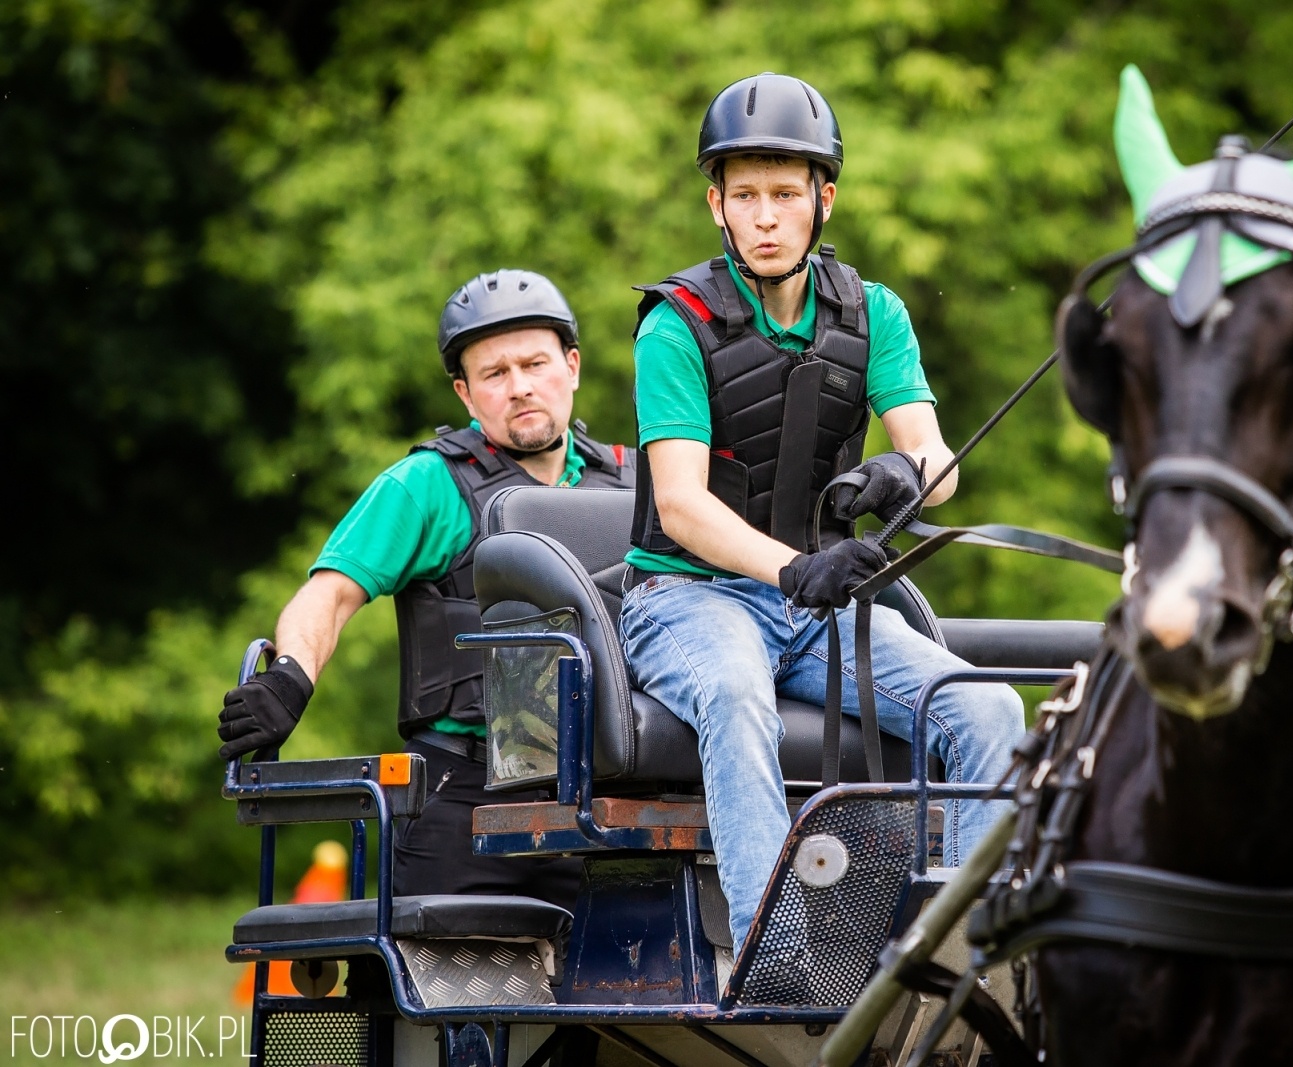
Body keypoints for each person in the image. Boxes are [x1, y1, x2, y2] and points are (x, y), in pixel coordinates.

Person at [620, 73, 1026, 957]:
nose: (766, 216)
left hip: (813, 608)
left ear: (823, 198)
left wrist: (898, 471)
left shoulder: (874, 312)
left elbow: (938, 463)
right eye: (746, 196)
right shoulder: (674, 325)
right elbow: (682, 505)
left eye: (785, 194)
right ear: (716, 205)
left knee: (989, 707)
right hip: (689, 600)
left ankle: (957, 954)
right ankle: (787, 957)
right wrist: (794, 568)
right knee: (734, 693)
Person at [217, 270, 635, 908]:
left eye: (535, 363)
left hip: (609, 801)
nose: (520, 387)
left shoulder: (639, 485)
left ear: (572, 367)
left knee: (614, 1007)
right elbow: (328, 594)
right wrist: (290, 677)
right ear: (466, 394)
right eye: (494, 374)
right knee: (458, 1006)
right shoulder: (427, 483)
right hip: (459, 797)